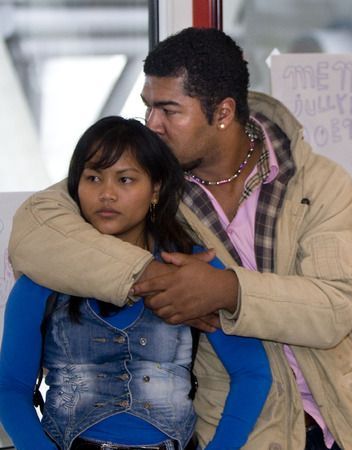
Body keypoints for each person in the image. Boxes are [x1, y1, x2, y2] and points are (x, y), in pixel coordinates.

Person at [9, 28, 352, 450]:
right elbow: (36, 231)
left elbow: (338, 305)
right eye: (148, 107)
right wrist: (155, 276)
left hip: (340, 420)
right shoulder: (143, 186)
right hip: (239, 430)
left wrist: (225, 289)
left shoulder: (319, 182)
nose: (152, 125)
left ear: (223, 112)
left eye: (169, 110)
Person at [0, 116, 270, 450]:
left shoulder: (191, 267)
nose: (107, 194)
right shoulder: (45, 275)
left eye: (125, 179)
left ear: (155, 189)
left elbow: (252, 374)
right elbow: (11, 387)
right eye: (93, 178)